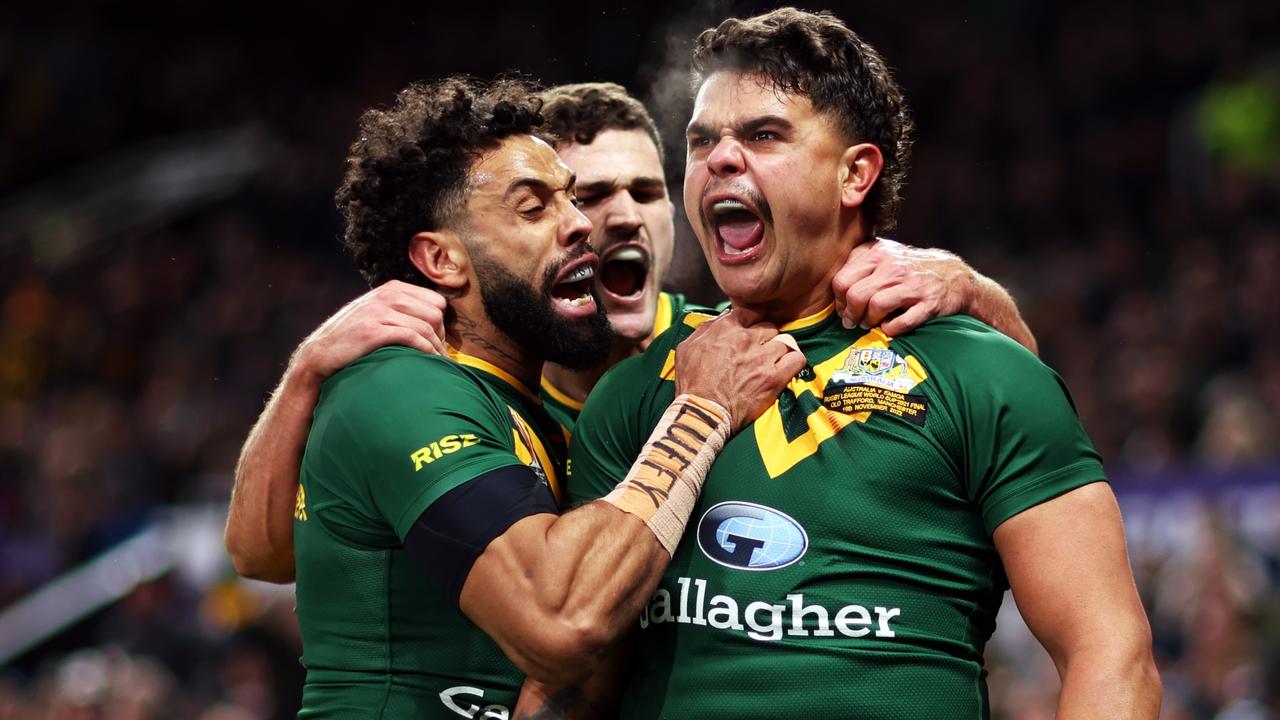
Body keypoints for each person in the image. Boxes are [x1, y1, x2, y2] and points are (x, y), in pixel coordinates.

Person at [559, 8, 1161, 719]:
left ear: (856, 174)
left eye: (763, 135)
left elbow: (1109, 652)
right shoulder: (635, 394)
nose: (719, 159)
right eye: (701, 141)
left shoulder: (986, 374)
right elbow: (578, 686)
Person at [225, 82, 1039, 583]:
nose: (610, 219)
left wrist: (973, 290)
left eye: (646, 190)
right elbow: (262, 558)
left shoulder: (730, 343)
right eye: (579, 194)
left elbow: (1011, 420)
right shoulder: (467, 372)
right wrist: (304, 372)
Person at [286, 74, 805, 717]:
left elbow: (262, 546)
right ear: (442, 261)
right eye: (536, 208)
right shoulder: (406, 389)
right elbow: (559, 627)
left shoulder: (532, 410)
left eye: (571, 198)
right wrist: (702, 411)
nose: (583, 224)